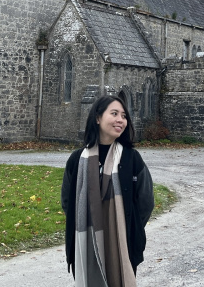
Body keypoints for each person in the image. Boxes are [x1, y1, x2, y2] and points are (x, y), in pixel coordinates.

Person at [61, 95, 155, 286]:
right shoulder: (77, 160)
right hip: (85, 244)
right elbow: (67, 202)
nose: (121, 120)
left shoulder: (132, 159)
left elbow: (145, 202)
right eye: (114, 113)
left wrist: (125, 226)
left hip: (122, 244)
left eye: (124, 115)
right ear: (98, 118)